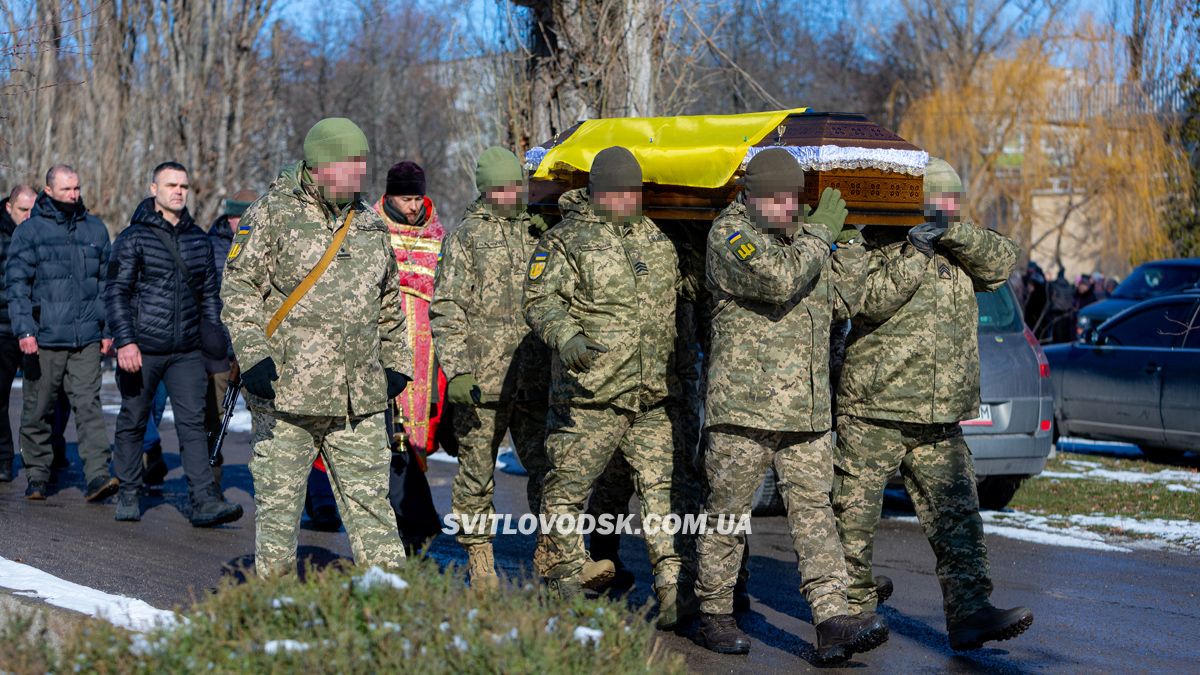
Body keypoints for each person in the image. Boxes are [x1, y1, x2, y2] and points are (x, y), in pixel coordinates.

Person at [691, 149, 886, 664]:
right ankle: (713, 613)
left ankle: (832, 619)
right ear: (750, 196)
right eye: (776, 199)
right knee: (727, 515)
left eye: (794, 199)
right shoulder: (730, 236)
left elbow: (843, 300)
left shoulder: (805, 236)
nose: (787, 208)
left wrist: (849, 241)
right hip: (745, 409)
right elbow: (779, 279)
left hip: (807, 408)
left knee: (815, 514)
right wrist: (822, 234)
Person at [832, 157, 1032, 652]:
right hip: (874, 408)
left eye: (953, 203)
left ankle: (971, 614)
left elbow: (1004, 260)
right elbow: (862, 300)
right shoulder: (873, 239)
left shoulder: (962, 246)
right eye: (936, 202)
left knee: (957, 518)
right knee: (852, 520)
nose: (946, 210)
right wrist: (915, 251)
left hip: (940, 416)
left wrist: (950, 234)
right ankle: (852, 615)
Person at [221, 117, 412, 576]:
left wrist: (396, 363)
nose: (359, 174)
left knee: (374, 511)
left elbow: (390, 299)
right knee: (279, 510)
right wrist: (253, 356)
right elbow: (239, 287)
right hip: (286, 395)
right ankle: (277, 606)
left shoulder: (369, 222)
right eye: (349, 163)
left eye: (363, 163)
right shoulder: (272, 213)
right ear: (320, 164)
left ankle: (394, 613)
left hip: (358, 400)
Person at [524, 146, 691, 628]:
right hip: (590, 393)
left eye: (633, 192)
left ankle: (673, 588)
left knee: (663, 493)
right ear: (598, 192)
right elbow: (538, 300)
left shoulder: (656, 238)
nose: (627, 200)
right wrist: (567, 335)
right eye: (619, 192)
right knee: (568, 488)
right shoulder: (564, 241)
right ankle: (564, 576)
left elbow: (679, 300)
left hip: (653, 393)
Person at [430, 146, 552, 589]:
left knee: (548, 469)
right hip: (482, 383)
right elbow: (446, 308)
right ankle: (480, 558)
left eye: (517, 185)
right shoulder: (466, 237)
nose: (512, 194)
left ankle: (554, 555)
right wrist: (458, 369)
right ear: (486, 190)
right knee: (476, 474)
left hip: (534, 378)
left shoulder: (539, 230)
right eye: (503, 187)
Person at [105, 162, 243, 525]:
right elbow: (117, 292)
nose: (179, 191)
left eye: (183, 185)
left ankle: (203, 501)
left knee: (193, 424)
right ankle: (130, 491)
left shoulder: (199, 240)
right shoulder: (134, 238)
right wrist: (125, 342)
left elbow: (210, 294)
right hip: (142, 348)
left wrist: (213, 334)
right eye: (171, 185)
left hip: (186, 351)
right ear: (154, 189)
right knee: (134, 418)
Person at [7, 166, 116, 502]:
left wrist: (108, 329)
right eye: (67, 189)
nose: (74, 195)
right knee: (38, 409)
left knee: (88, 407)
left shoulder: (95, 229)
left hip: (85, 338)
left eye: (77, 188)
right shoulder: (29, 232)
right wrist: (24, 328)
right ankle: (37, 475)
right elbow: (17, 285)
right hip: (43, 337)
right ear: (49, 190)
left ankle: (97, 475)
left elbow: (107, 285)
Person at [373, 159, 444, 551]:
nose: (414, 206)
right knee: (383, 438)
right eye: (406, 198)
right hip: (379, 352)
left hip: (425, 358)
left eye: (418, 197)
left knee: (413, 441)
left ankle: (413, 525)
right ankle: (406, 523)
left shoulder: (438, 235)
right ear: (389, 196)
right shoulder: (370, 228)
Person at [203, 189, 258, 472]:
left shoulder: (266, 244)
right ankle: (208, 487)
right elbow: (208, 298)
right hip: (219, 349)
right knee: (213, 420)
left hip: (257, 349)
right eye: (244, 217)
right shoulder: (210, 246)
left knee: (265, 421)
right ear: (231, 218)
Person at [0, 185, 36, 482]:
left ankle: (45, 458)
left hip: (36, 328)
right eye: (23, 210)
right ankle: (3, 458)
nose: (28, 216)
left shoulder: (40, 235)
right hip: (3, 328)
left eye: (33, 211)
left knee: (42, 399)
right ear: (9, 207)